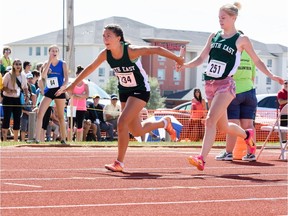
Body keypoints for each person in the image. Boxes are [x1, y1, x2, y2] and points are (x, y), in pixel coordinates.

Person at [61, 24, 184, 172]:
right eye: (104, 36)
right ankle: (164, 123)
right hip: (124, 91)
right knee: (137, 131)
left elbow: (156, 49)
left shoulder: (130, 51)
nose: (105, 39)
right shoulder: (105, 54)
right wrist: (73, 85)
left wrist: (177, 59)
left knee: (121, 122)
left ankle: (119, 162)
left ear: (118, 38)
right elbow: (90, 68)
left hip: (140, 90)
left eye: (109, 36)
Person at [177, 2, 284, 171]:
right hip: (209, 84)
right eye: (219, 18)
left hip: (226, 85)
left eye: (223, 17)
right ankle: (246, 134)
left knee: (210, 120)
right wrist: (185, 66)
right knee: (223, 127)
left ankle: (201, 158)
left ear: (234, 18)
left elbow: (257, 60)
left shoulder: (241, 40)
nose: (220, 20)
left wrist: (271, 76)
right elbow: (201, 58)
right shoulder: (214, 36)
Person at [215, 47, 257, 162]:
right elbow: (253, 76)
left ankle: (228, 153)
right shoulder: (250, 55)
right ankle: (251, 153)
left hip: (234, 91)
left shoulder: (231, 53)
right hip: (250, 91)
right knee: (248, 124)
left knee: (232, 123)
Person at [33, 44, 69, 144]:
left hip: (59, 90)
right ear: (49, 52)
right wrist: (49, 61)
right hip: (49, 89)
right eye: (52, 51)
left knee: (61, 116)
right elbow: (43, 76)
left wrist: (63, 87)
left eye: (56, 51)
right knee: (40, 113)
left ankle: (63, 139)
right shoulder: (46, 63)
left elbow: (66, 79)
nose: (54, 52)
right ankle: (37, 138)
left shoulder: (63, 64)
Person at [1, 59, 29, 141]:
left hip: (17, 99)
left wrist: (27, 96)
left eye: (19, 64)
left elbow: (25, 87)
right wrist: (9, 90)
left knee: (17, 119)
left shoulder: (23, 75)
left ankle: (16, 139)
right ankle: (4, 139)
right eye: (16, 64)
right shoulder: (8, 75)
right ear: (13, 65)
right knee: (6, 118)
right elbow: (2, 87)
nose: (18, 66)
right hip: (8, 99)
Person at [67, 65, 89, 142]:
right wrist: (77, 96)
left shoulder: (85, 84)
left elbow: (86, 95)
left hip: (81, 107)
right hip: (72, 106)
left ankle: (79, 141)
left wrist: (78, 96)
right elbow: (69, 94)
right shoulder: (72, 83)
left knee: (80, 125)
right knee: (70, 125)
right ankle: (69, 140)